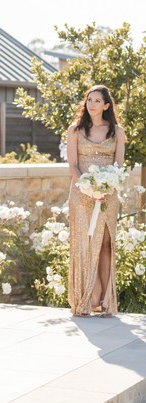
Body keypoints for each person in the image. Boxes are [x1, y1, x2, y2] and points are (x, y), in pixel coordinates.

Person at [66, 85, 127, 317]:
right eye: (89, 100)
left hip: (109, 194)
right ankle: (89, 295)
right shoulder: (75, 130)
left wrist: (108, 187)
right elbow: (73, 165)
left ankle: (104, 298)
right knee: (84, 243)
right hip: (82, 194)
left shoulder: (117, 131)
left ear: (106, 105)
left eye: (97, 100)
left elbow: (119, 165)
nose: (91, 104)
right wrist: (89, 189)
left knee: (105, 244)